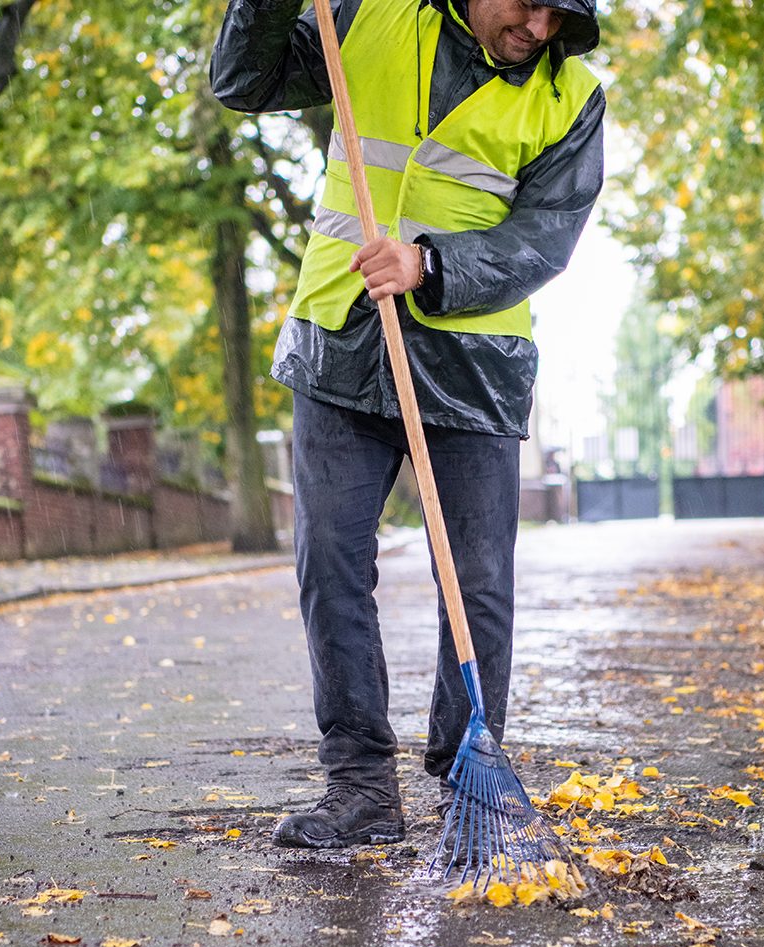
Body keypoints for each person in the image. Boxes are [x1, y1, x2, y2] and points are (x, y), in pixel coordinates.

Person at [210, 0, 604, 848]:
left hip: (473, 367)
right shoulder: (368, 16)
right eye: (528, 3)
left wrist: (430, 264)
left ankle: (469, 780)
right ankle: (359, 790)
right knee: (332, 571)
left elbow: (545, 237)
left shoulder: (571, 98)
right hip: (341, 344)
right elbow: (244, 81)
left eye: (558, 15)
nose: (539, 28)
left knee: (476, 584)